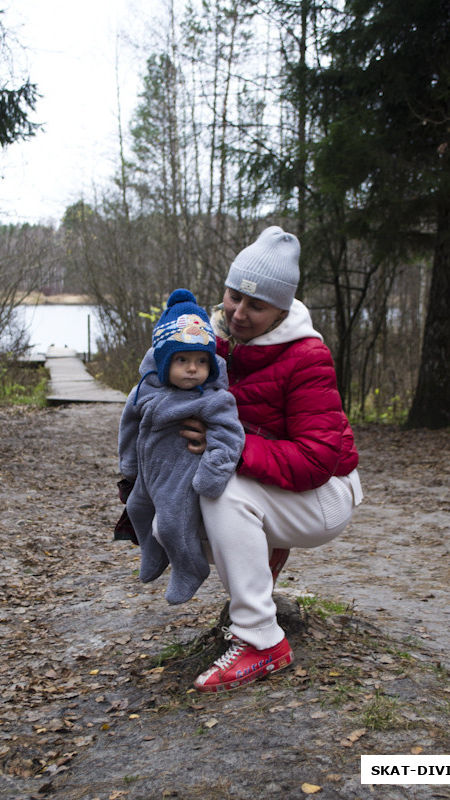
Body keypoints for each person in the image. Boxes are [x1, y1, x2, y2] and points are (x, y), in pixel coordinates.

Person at [183, 226, 363, 693]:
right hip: (282, 481)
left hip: (325, 495)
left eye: (256, 305)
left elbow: (316, 458)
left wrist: (230, 444)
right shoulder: (212, 340)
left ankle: (264, 641)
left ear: (281, 309)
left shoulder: (307, 356)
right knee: (183, 491)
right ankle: (263, 564)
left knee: (221, 490)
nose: (238, 312)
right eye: (233, 295)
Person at [118, 288, 245, 606]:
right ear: (164, 362)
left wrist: (211, 475)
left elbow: (230, 436)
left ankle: (190, 568)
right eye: (182, 360)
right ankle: (153, 554)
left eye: (201, 361)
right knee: (136, 508)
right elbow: (129, 424)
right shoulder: (144, 390)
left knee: (173, 524)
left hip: (183, 473)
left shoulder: (212, 399)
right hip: (150, 471)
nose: (192, 368)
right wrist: (129, 463)